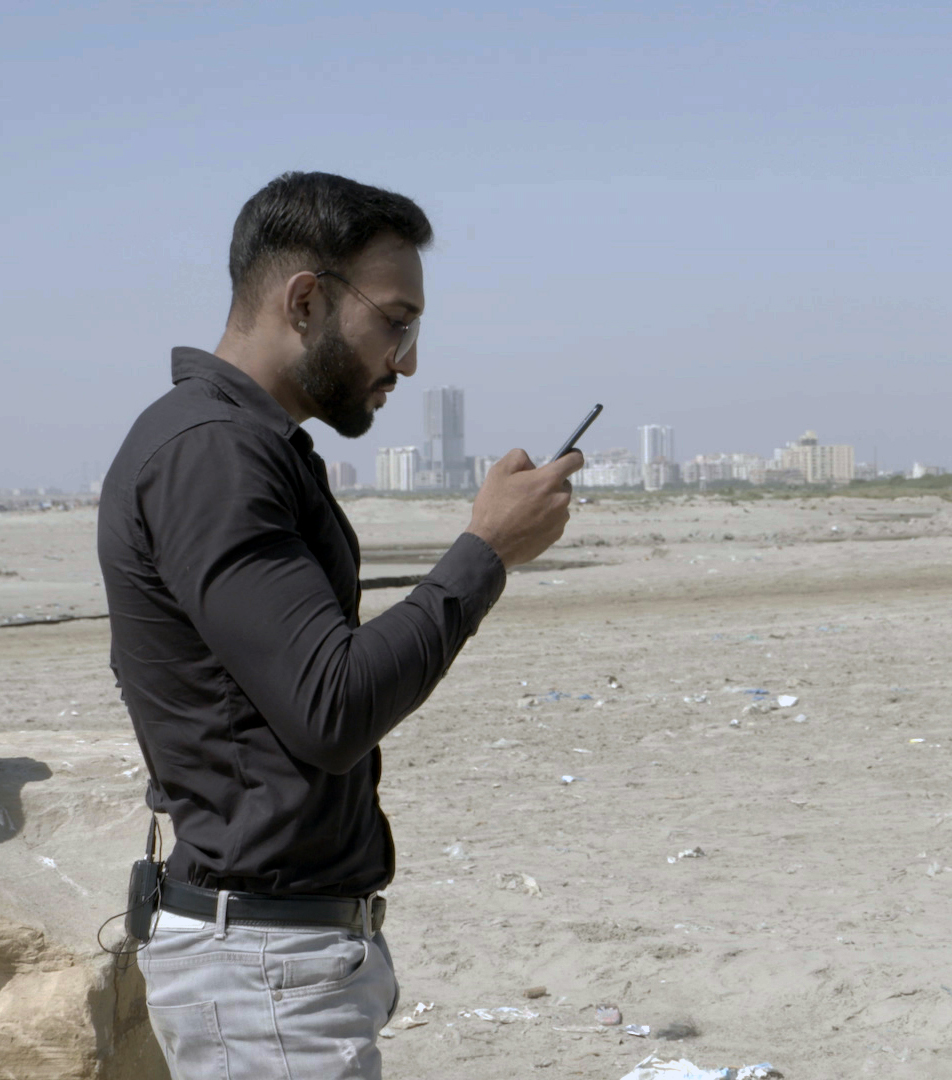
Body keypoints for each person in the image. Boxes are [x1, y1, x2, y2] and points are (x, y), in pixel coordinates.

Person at [96, 171, 582, 1079]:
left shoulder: (245, 446)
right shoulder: (212, 455)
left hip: (279, 965)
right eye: (396, 322)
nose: (406, 360)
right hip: (263, 976)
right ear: (307, 300)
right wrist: (485, 551)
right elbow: (332, 705)